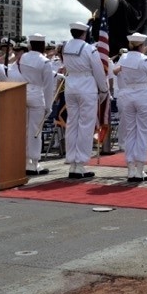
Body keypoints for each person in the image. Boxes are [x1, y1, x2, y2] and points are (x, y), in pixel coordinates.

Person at [61, 21, 109, 179]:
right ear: (84, 33)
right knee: (85, 126)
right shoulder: (90, 49)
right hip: (86, 86)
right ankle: (80, 163)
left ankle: (73, 162)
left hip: (70, 86)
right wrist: (104, 88)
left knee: (72, 124)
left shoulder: (66, 47)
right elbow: (98, 71)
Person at [114, 32, 147, 181]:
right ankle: (140, 169)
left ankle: (130, 168)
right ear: (142, 45)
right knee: (143, 132)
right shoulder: (146, 59)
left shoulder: (123, 58)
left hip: (127, 93)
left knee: (130, 131)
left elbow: (117, 73)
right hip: (143, 93)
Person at [19, 33, 55, 176]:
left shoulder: (23, 57)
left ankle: (25, 160)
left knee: (24, 128)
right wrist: (48, 105)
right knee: (35, 131)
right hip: (37, 94)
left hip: (23, 92)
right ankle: (34, 163)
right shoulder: (45, 61)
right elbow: (48, 86)